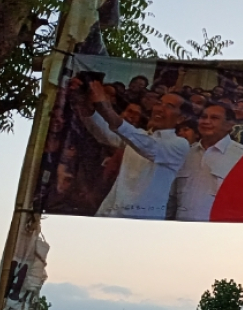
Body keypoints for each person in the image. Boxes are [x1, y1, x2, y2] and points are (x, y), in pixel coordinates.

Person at [70, 79, 191, 219]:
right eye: (159, 103)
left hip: (141, 223)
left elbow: (147, 146)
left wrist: (104, 106)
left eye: (169, 106)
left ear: (181, 118)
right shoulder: (140, 136)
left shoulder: (180, 144)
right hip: (109, 213)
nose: (160, 108)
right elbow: (105, 134)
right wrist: (85, 106)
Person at [166, 102, 243, 221]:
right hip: (181, 230)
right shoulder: (186, 153)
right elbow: (172, 199)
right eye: (203, 117)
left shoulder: (242, 156)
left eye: (214, 118)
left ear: (229, 125)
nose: (206, 122)